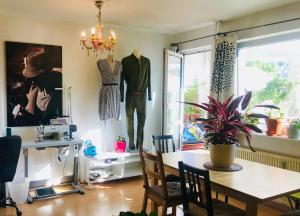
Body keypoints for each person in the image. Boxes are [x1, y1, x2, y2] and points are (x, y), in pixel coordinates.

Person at [12, 51, 62, 126]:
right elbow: (36, 116)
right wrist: (23, 113)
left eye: (35, 77)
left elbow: (61, 121)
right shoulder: (35, 89)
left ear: (45, 74)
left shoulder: (59, 90)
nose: (32, 81)